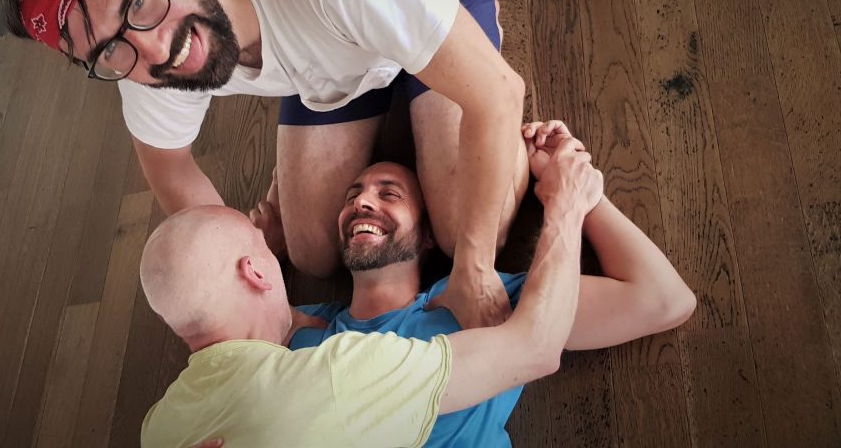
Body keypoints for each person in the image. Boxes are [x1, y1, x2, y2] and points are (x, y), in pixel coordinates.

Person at [2, 0, 530, 328]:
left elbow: (499, 93)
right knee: (311, 253)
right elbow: (172, 171)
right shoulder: (134, 55)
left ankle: (466, 57)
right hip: (332, 55)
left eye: (140, 2)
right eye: (109, 50)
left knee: (466, 231)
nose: (157, 50)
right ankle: (381, 73)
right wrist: (262, 285)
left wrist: (475, 271)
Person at [139, 135, 603, 447]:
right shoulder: (336, 374)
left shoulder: (160, 427)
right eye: (265, 252)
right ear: (256, 274)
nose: (362, 201)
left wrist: (263, 254)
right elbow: (536, 346)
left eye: (389, 194)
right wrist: (568, 201)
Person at [276, 121, 697, 447]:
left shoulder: (488, 304)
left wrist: (577, 194)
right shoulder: (301, 330)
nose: (361, 202)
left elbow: (664, 300)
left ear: (427, 237)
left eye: (389, 195)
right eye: (352, 196)